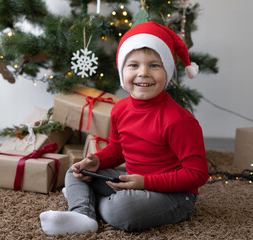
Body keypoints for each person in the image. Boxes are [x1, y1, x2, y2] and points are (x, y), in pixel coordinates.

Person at [39, 21, 208, 235]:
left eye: (154, 65)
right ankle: (83, 214)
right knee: (76, 173)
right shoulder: (120, 109)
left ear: (168, 71)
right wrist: (97, 161)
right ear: (122, 71)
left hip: (175, 195)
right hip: (134, 180)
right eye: (134, 65)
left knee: (121, 209)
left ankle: (89, 201)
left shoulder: (179, 120)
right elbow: (118, 149)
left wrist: (145, 182)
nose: (143, 73)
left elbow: (197, 174)